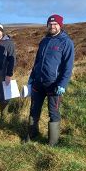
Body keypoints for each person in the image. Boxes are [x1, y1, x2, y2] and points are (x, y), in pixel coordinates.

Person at [27, 14, 75, 146]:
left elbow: (68, 66)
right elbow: (37, 63)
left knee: (53, 112)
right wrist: (31, 79)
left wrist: (62, 84)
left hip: (53, 85)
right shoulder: (44, 41)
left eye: (55, 24)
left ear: (60, 25)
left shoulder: (66, 42)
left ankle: (52, 142)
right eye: (50, 24)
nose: (52, 26)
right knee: (34, 109)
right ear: (47, 25)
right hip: (38, 82)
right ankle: (32, 134)